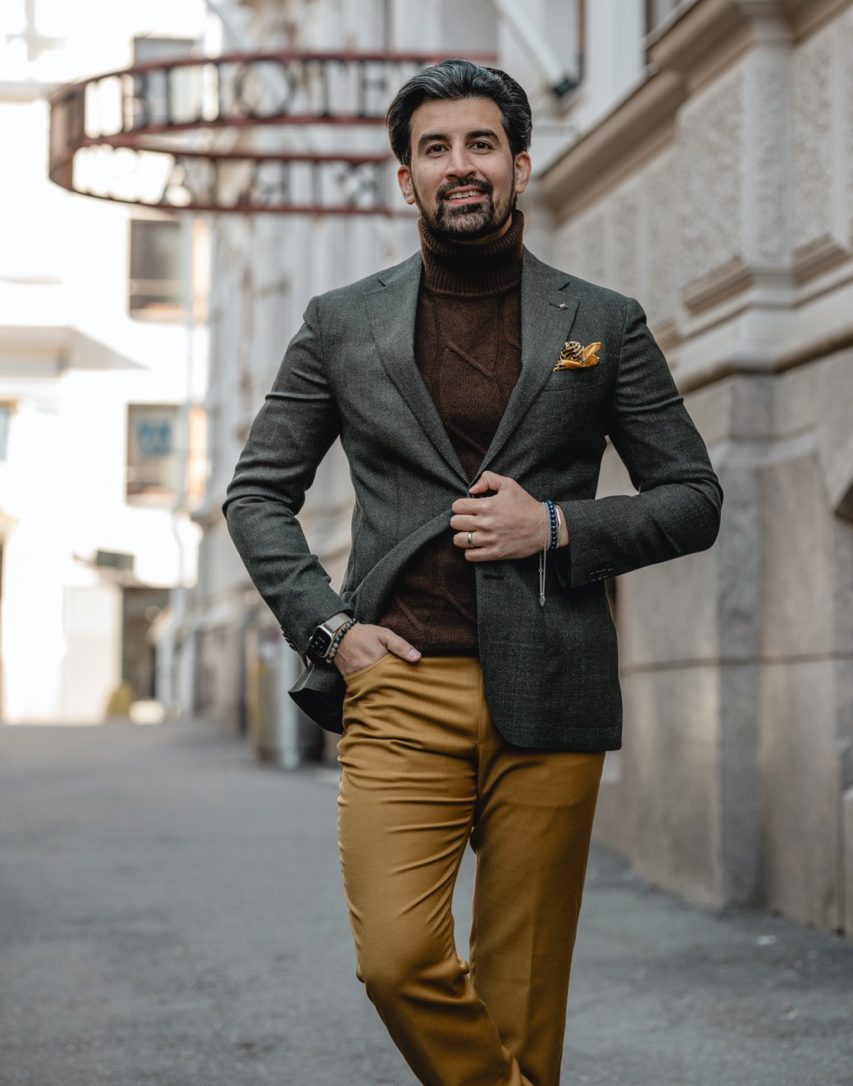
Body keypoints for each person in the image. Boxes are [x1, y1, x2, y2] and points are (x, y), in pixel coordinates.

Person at [224, 58, 722, 1086]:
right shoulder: (339, 322)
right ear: (404, 177)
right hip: (401, 681)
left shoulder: (601, 321)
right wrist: (329, 630)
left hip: (554, 676)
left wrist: (556, 526)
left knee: (521, 991)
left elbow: (691, 497)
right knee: (398, 961)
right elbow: (257, 493)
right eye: (436, 148)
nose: (460, 165)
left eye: (481, 144)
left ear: (519, 166)